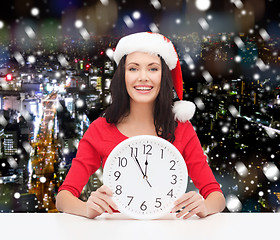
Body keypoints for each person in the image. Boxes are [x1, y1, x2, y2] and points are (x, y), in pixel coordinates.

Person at [56, 32, 225, 219]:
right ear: (122, 76)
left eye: (153, 69)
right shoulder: (100, 129)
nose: (143, 77)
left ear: (164, 76)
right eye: (133, 69)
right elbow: (63, 197)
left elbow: (216, 196)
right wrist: (86, 209)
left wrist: (204, 206)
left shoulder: (182, 129)